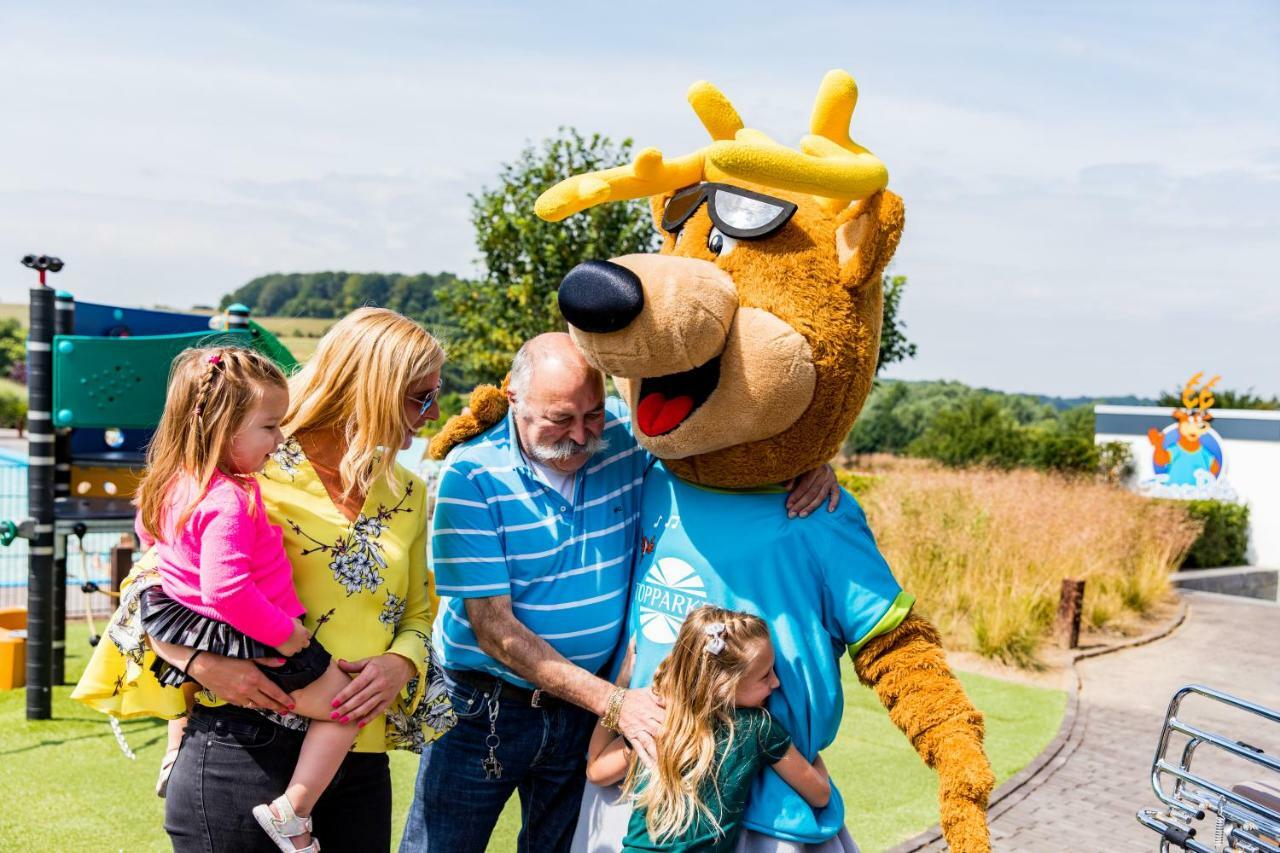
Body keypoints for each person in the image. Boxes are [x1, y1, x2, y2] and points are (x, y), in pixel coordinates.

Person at [400, 332, 839, 853]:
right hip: (486, 710)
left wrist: (804, 464)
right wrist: (614, 704)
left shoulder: (626, 435)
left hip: (581, 716)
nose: (583, 435)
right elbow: (493, 629)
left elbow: (719, 443)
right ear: (515, 399)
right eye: (561, 419)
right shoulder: (470, 473)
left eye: (592, 415)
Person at [73, 307, 454, 852]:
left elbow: (418, 614)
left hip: (357, 755)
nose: (434, 412)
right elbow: (149, 594)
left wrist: (401, 664)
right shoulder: (248, 462)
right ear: (372, 388)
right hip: (241, 745)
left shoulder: (410, 492)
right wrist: (201, 664)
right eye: (421, 395)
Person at [131, 345, 361, 852]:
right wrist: (288, 633)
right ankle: (292, 812)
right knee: (348, 707)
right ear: (219, 426)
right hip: (261, 634)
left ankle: (175, 748)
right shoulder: (228, 500)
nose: (280, 440)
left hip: (209, 632)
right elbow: (228, 589)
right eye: (269, 426)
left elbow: (153, 545)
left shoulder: (174, 485)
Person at [587, 606, 830, 852]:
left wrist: (621, 685)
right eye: (765, 676)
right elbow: (820, 794)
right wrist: (810, 743)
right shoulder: (758, 729)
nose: (776, 682)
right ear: (724, 686)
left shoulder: (655, 717)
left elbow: (596, 769)